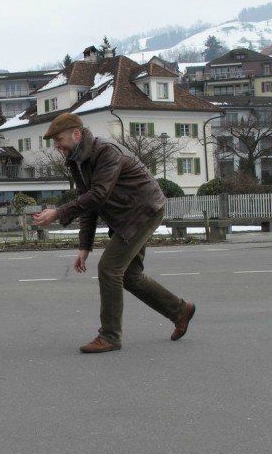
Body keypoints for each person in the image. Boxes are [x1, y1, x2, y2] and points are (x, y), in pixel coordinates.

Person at [32, 113, 195, 353]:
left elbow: (98, 195)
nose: (56, 145)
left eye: (59, 139)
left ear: (76, 134)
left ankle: (109, 336)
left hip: (143, 211)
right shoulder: (77, 160)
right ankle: (180, 310)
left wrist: (58, 213)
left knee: (109, 269)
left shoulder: (106, 153)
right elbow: (88, 202)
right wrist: (84, 247)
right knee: (130, 276)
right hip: (127, 215)